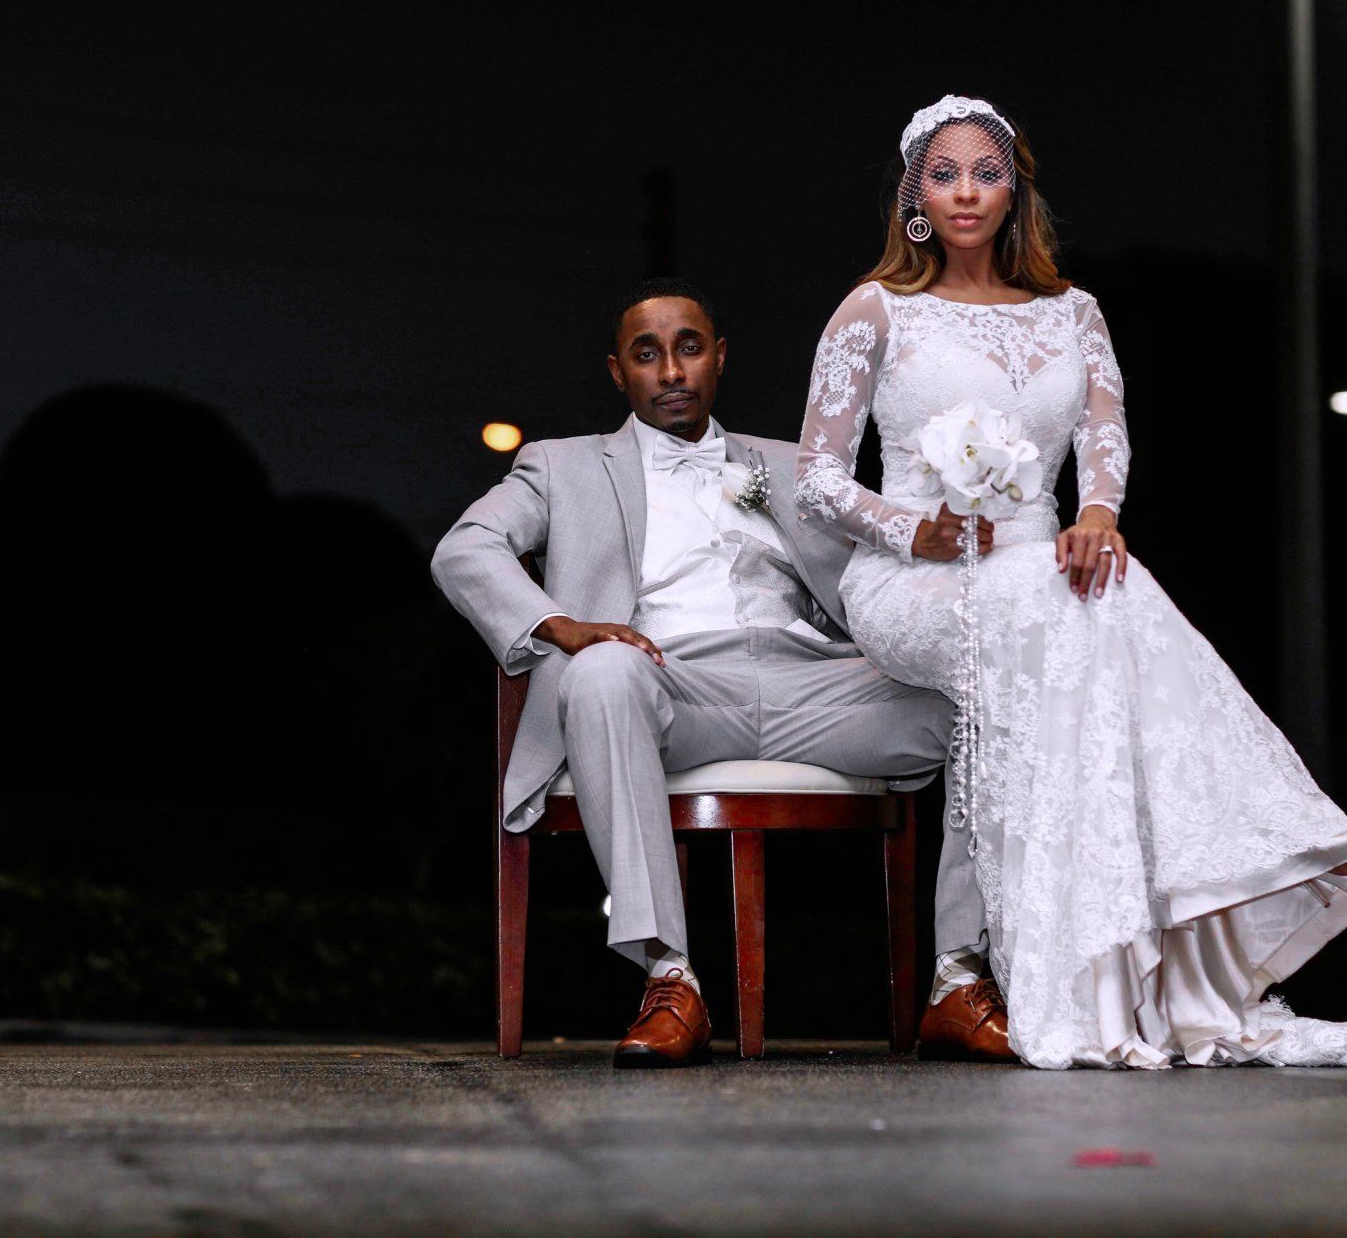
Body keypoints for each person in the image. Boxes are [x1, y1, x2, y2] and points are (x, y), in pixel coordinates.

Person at [794, 96, 1347, 1069]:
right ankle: (1297, 846)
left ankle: (1034, 976)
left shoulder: (1074, 313)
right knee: (1064, 617)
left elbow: (1104, 439)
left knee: (1103, 593)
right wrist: (911, 529)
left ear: (1016, 190)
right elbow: (813, 476)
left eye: (987, 170)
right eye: (945, 173)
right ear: (915, 196)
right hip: (911, 580)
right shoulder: (875, 309)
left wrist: (1097, 516)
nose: (967, 188)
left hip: (1036, 570)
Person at [431, 278, 1012, 1067]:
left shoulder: (797, 465)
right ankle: (670, 980)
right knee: (602, 673)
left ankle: (957, 977)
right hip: (669, 685)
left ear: (719, 358)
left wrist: (933, 543)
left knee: (989, 699)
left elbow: (882, 566)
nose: (671, 371)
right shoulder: (562, 467)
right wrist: (559, 627)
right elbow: (465, 549)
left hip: (818, 686)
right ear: (618, 373)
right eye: (647, 355)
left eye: (689, 348)